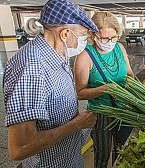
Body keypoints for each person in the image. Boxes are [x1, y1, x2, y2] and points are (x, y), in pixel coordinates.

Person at [3, 0, 98, 167]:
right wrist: (78, 124)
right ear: (65, 34)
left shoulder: (58, 56)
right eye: (83, 35)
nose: (85, 41)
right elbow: (20, 147)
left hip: (70, 158)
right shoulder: (31, 67)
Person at [73, 11, 134, 168]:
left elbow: (129, 74)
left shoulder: (119, 48)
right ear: (94, 36)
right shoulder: (84, 57)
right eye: (105, 38)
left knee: (122, 151)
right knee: (102, 154)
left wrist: (136, 90)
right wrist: (105, 89)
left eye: (113, 37)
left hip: (125, 110)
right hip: (101, 115)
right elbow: (79, 93)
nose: (110, 41)